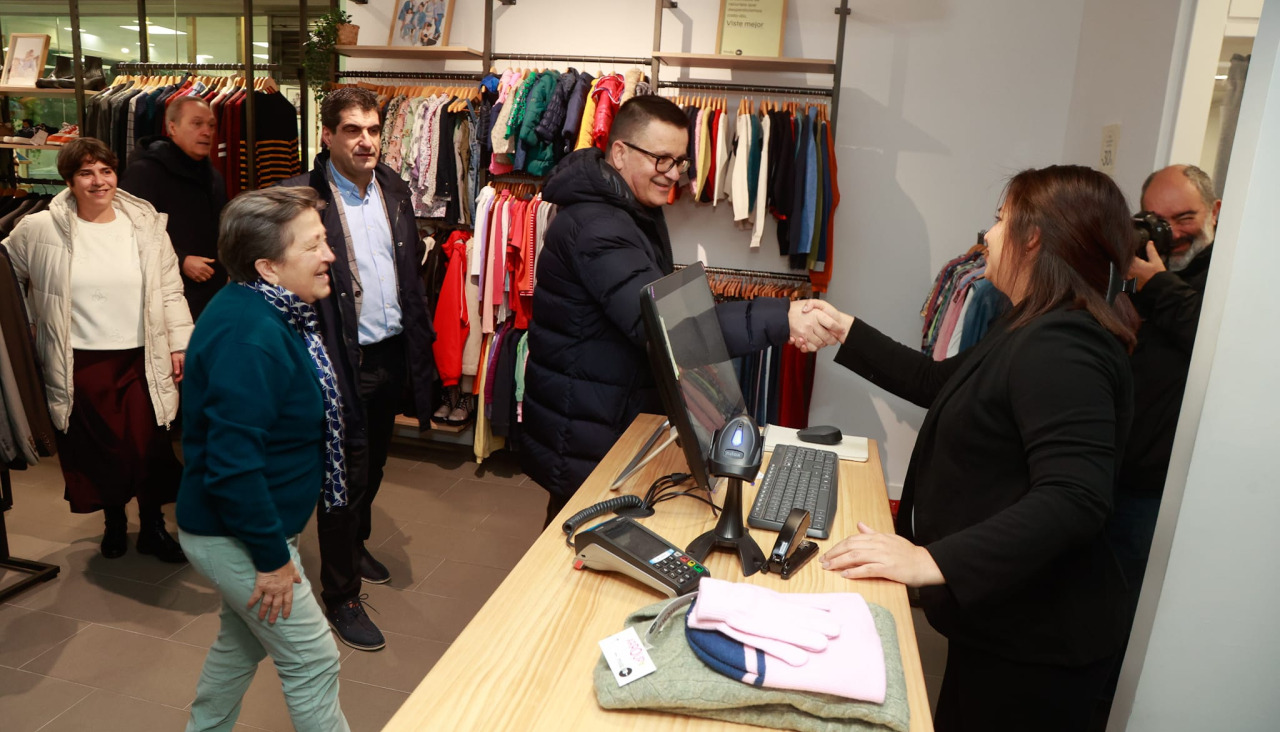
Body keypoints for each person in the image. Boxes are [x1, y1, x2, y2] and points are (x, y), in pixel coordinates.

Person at [814, 165, 1136, 730]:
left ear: (1033, 236)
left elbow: (1075, 498)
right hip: (1003, 621)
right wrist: (846, 329)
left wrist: (930, 560)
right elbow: (941, 385)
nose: (985, 235)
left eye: (999, 219)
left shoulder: (1063, 343)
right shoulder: (1030, 324)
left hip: (1039, 647)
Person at [521, 94, 838, 526]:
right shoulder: (599, 226)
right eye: (661, 159)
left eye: (681, 161)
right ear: (619, 152)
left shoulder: (627, 211)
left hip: (601, 416)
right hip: (588, 430)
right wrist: (781, 318)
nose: (673, 174)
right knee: (571, 555)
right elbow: (666, 327)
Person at [176, 187, 349, 732]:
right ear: (268, 266)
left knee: (240, 644)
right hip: (238, 534)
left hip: (259, 526)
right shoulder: (249, 335)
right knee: (313, 658)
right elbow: (232, 465)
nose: (330, 256)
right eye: (314, 245)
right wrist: (273, 559)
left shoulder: (269, 309)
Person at [280, 87, 437, 653]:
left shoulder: (392, 187)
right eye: (352, 129)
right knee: (341, 476)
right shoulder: (299, 199)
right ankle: (341, 593)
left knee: (373, 466)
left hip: (389, 352)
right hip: (339, 360)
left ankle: (357, 544)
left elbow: (405, 276)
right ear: (327, 136)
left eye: (372, 129)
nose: (366, 140)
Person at [3, 137, 192, 563]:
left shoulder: (145, 225)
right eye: (86, 172)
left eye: (105, 170)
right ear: (69, 180)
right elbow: (7, 275)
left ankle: (153, 527)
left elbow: (169, 290)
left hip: (143, 357)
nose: (99, 180)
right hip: (81, 361)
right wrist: (28, 328)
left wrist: (181, 343)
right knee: (101, 449)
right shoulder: (38, 229)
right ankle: (113, 523)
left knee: (147, 447)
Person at [1112, 164, 1219, 588]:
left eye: (1185, 218)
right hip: (1116, 475)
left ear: (1216, 211)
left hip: (1161, 491)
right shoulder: (1139, 268)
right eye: (1157, 220)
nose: (1171, 234)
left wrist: (1154, 283)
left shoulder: (1229, 273)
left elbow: (1212, 338)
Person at [121, 95, 228, 320]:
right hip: (168, 298)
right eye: (196, 123)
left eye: (211, 125)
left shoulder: (213, 177)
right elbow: (129, 232)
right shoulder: (146, 172)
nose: (207, 132)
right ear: (172, 127)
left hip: (213, 298)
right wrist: (182, 260)